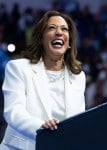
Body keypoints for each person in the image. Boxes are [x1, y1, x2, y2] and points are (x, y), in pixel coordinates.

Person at [0, 10, 86, 149]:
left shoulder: (78, 77)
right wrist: (41, 128)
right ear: (41, 39)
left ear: (69, 42)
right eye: (52, 28)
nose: (59, 32)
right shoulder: (18, 68)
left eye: (64, 29)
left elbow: (78, 121)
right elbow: (13, 112)